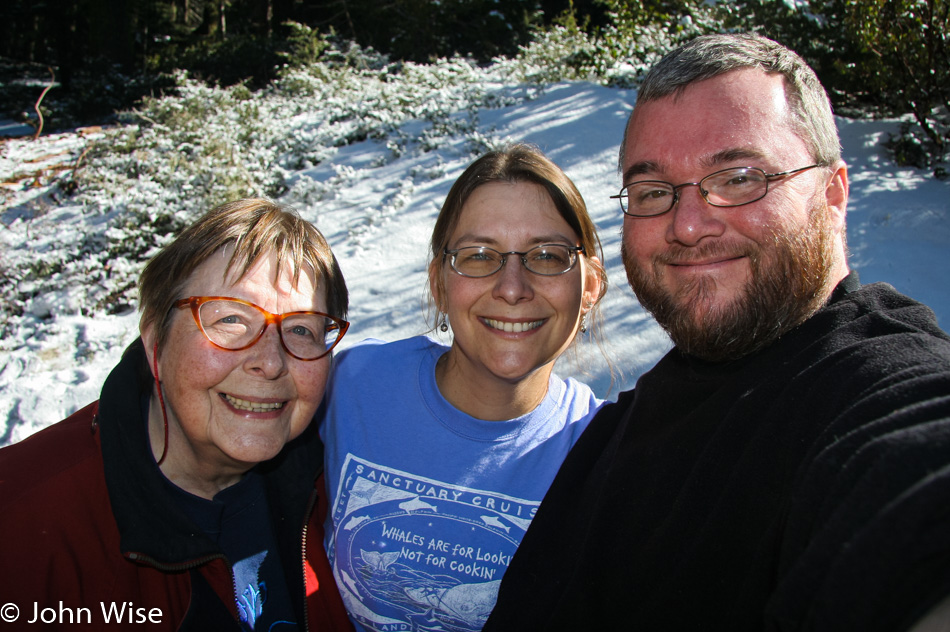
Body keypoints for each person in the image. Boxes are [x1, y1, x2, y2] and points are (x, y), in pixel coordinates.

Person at [482, 34, 950, 632]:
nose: (687, 224)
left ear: (832, 196)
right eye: (653, 192)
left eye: (737, 178)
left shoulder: (871, 386)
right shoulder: (617, 428)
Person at [0, 199, 354, 631]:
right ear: (155, 343)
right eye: (230, 320)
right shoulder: (21, 523)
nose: (272, 361)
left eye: (301, 328)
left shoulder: (339, 482)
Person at [319, 143, 608, 632]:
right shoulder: (348, 385)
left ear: (590, 286)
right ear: (439, 284)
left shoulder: (605, 451)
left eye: (547, 255)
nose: (512, 287)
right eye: (478, 256)